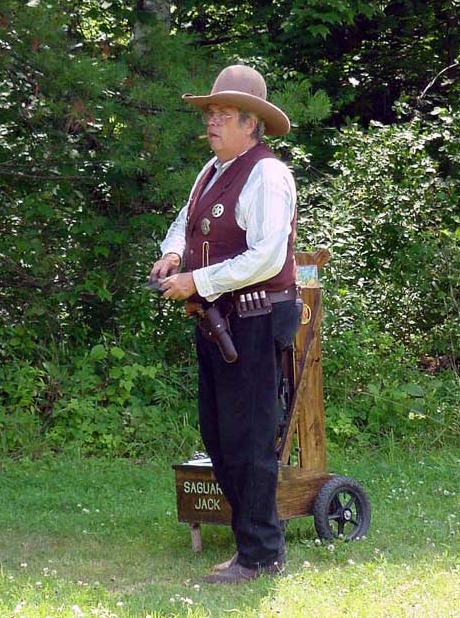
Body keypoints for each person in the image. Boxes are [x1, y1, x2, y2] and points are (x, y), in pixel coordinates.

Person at [150, 65, 302, 584]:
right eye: (210, 113)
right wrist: (173, 254)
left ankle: (262, 555)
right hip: (221, 319)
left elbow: (267, 256)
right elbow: (185, 221)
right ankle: (249, 547)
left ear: (250, 123)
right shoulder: (212, 169)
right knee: (219, 436)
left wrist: (197, 281)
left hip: (256, 319)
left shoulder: (267, 174)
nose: (211, 122)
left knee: (250, 437)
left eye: (221, 114)